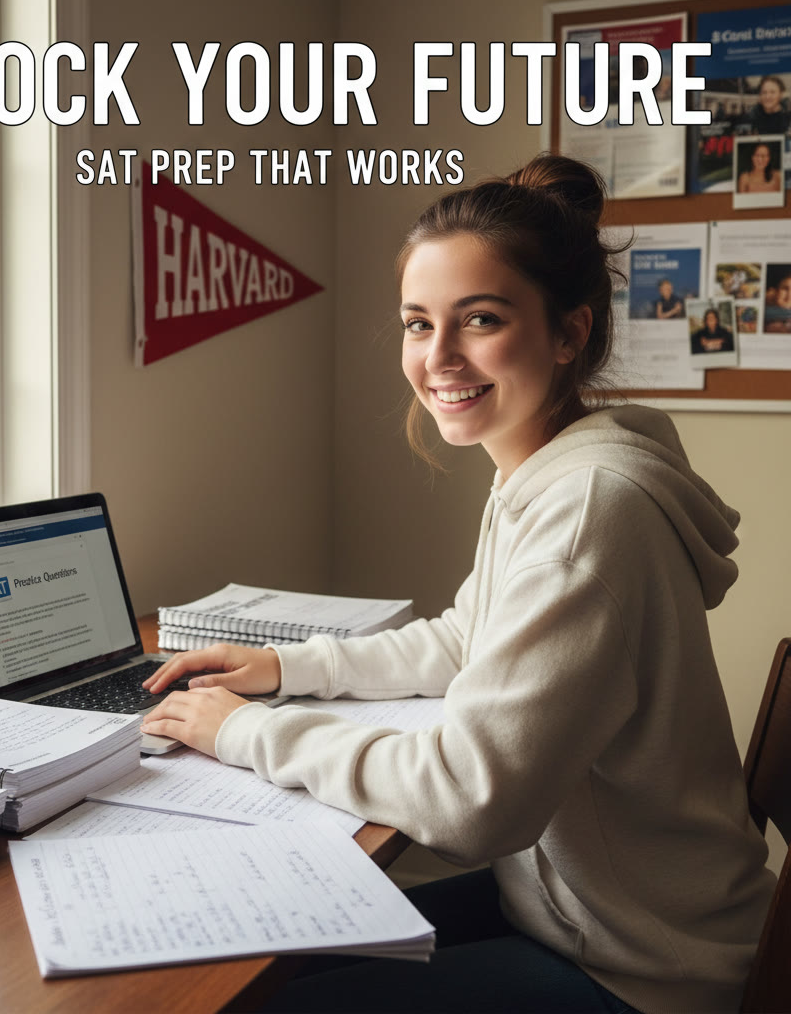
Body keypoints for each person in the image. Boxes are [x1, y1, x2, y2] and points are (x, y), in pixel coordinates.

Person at [142, 155, 774, 1013]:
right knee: (259, 955)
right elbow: (465, 638)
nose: (438, 357)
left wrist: (249, 733)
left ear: (568, 333)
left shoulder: (588, 509)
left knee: (250, 999)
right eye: (416, 323)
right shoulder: (551, 469)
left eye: (479, 320)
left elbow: (471, 802)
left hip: (644, 968)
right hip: (582, 913)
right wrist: (287, 671)